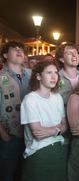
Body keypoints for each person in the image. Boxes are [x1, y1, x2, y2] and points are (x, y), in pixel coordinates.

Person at [20, 60, 67, 181]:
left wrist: (51, 131)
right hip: (38, 153)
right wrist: (58, 129)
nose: (54, 76)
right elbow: (38, 133)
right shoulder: (30, 99)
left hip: (58, 149)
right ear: (39, 76)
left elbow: (65, 126)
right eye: (49, 72)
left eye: (56, 72)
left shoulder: (57, 97)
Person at [0, 41, 31, 181]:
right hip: (10, 136)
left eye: (21, 49)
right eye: (14, 49)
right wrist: (3, 134)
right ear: (5, 55)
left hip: (31, 134)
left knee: (26, 174)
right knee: (7, 174)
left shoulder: (31, 75)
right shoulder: (1, 78)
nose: (19, 51)